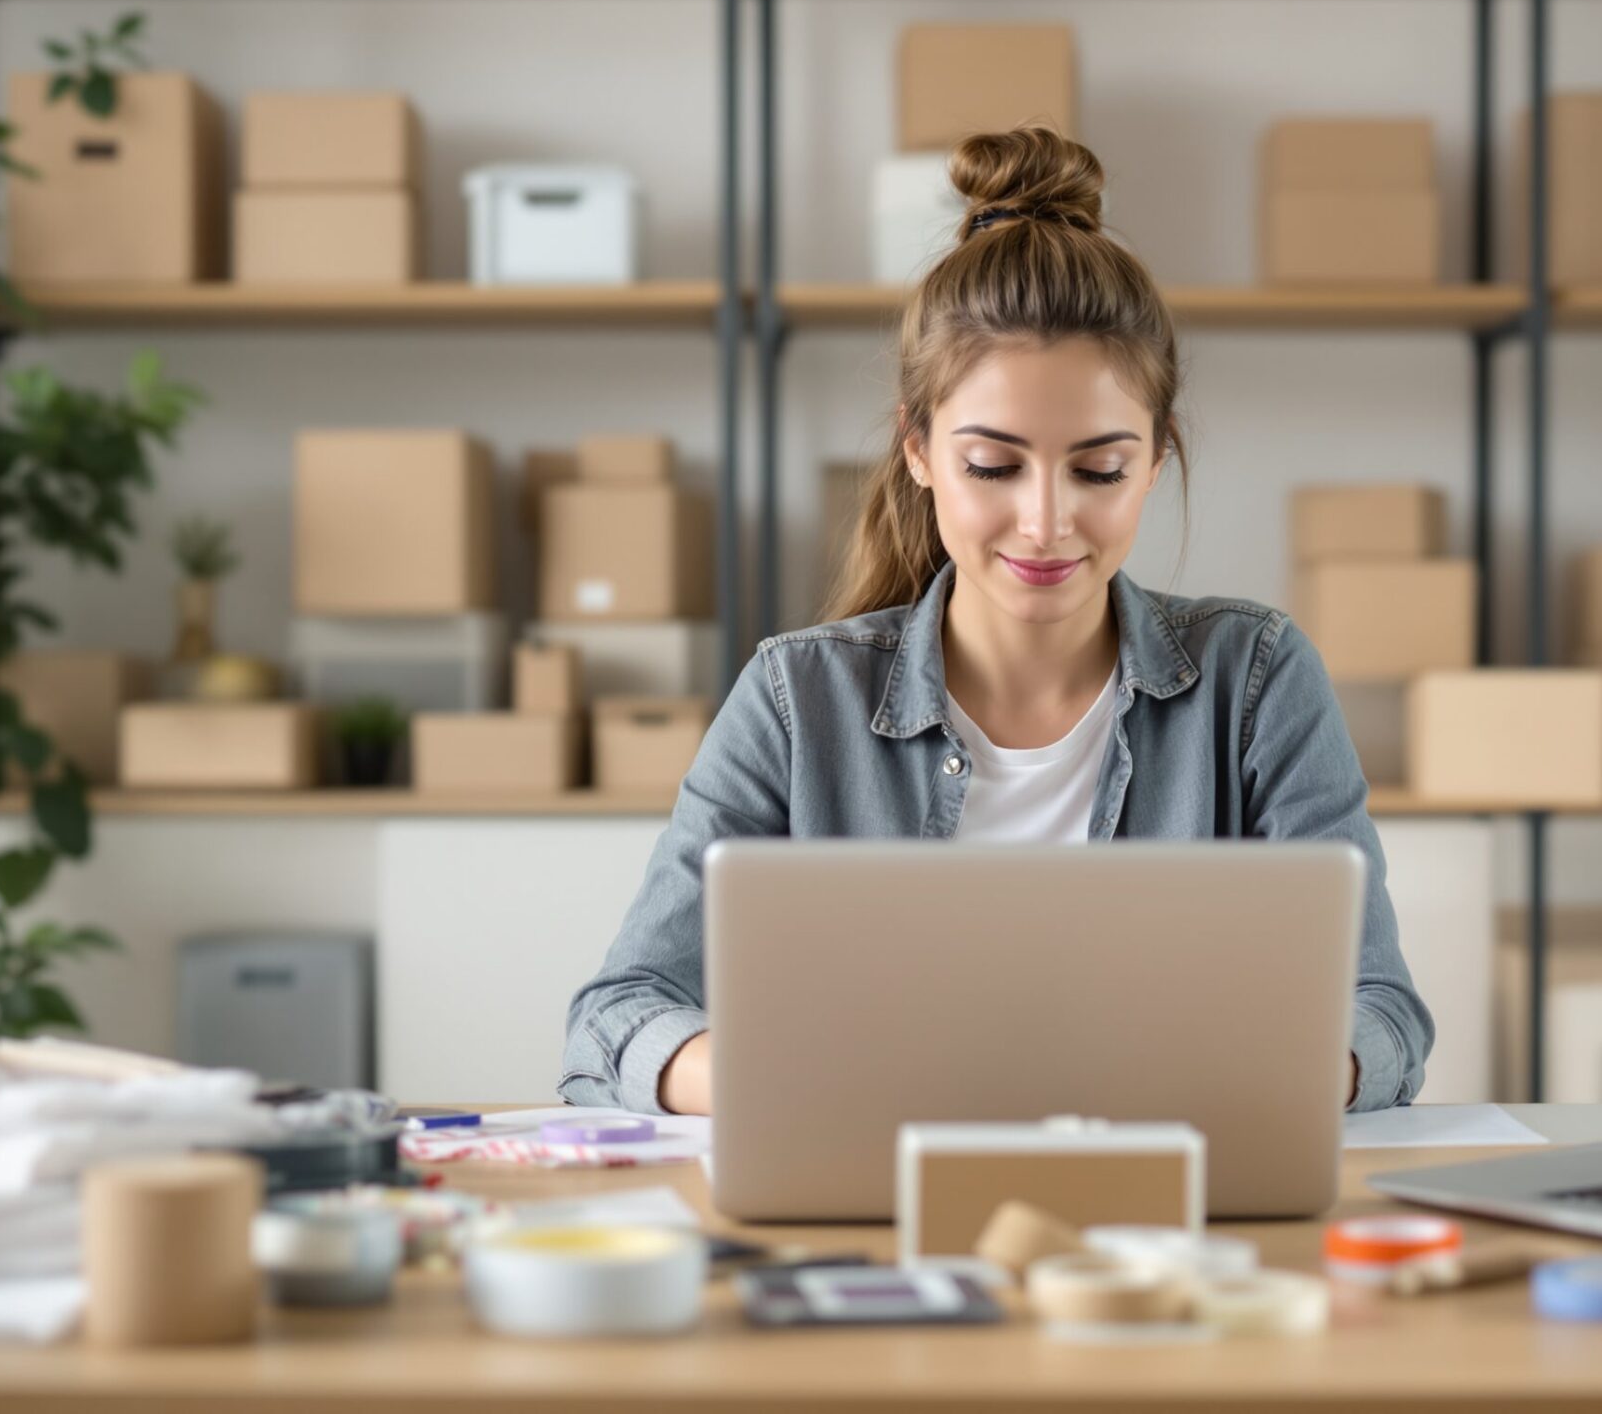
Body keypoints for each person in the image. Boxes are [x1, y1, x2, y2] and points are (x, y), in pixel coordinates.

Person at [561, 127, 1436, 1117]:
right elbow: (617, 1016)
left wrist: (1255, 1080)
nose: (1047, 520)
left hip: (1169, 1215)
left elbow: (1383, 1012)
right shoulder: (795, 697)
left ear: (1156, 458)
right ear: (919, 448)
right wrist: (784, 1081)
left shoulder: (1258, 679)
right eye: (993, 465)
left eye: (1100, 468)